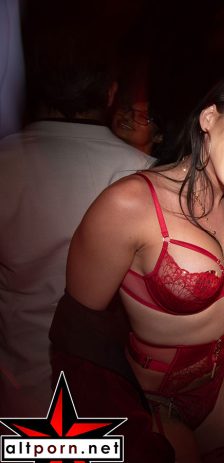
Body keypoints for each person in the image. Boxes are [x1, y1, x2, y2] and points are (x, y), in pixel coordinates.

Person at [49, 74, 224, 462]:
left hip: (221, 391)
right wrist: (127, 425)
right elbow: (77, 337)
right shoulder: (129, 204)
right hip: (156, 402)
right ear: (209, 118)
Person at [0, 27, 153, 417]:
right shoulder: (147, 177)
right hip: (108, 400)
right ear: (110, 94)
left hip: (17, 393)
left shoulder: (4, 162)